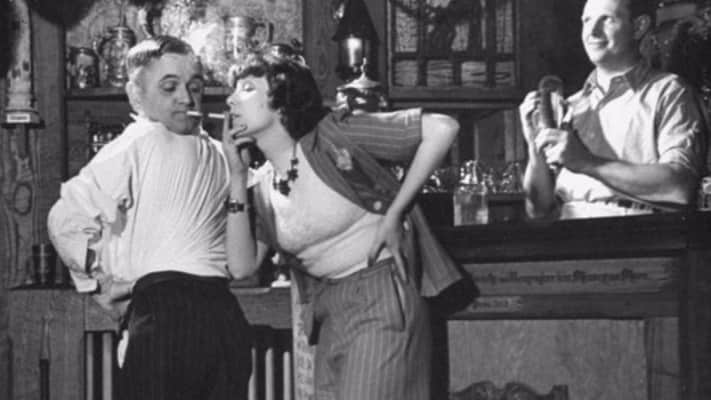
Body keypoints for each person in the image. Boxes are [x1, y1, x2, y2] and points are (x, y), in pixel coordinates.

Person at [221, 44, 464, 400]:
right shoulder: (263, 186)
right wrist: (237, 176)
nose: (230, 100)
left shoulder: (333, 136)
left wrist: (395, 212)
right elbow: (241, 266)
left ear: (281, 100)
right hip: (330, 310)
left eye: (246, 88)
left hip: (379, 294)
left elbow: (442, 128)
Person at [47, 35, 252, 400]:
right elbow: (66, 217)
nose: (185, 98)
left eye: (195, 87)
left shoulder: (223, 154)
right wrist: (103, 284)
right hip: (178, 310)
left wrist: (104, 288)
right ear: (136, 95)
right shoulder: (140, 141)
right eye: (169, 87)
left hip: (211, 313)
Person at [519, 0, 707, 219]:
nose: (592, 32)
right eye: (586, 20)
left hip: (639, 234)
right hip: (568, 233)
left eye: (606, 19)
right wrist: (534, 146)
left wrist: (585, 162)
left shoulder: (670, 92)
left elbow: (679, 187)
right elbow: (538, 211)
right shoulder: (572, 105)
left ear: (639, 27)